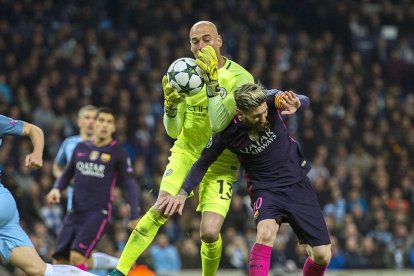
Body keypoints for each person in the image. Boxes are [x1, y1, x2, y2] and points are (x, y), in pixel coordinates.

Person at [109, 20, 254, 276]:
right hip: (187, 152)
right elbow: (174, 131)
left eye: (207, 39)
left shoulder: (240, 78)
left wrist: (211, 84)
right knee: (160, 207)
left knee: (209, 233)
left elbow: (220, 124)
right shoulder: (184, 74)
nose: (201, 46)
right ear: (190, 45)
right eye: (195, 41)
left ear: (219, 41)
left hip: (221, 159)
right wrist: (170, 107)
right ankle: (119, 271)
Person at [160, 83, 332, 276]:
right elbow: (202, 163)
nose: (263, 118)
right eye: (256, 116)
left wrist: (298, 103)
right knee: (265, 234)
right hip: (264, 188)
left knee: (322, 255)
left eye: (265, 112)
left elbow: (304, 99)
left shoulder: (270, 99)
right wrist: (183, 193)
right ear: (241, 114)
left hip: (297, 182)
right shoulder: (226, 133)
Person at [0, 114, 96, 276]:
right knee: (40, 270)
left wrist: (37, 154)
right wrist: (36, 153)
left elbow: (33, 129)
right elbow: (33, 129)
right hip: (5, 203)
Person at [46, 107, 140, 271]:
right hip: (74, 211)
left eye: (109, 122)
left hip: (97, 213)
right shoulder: (80, 147)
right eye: (101, 120)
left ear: (114, 127)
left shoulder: (118, 152)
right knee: (59, 260)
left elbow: (130, 184)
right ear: (94, 124)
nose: (104, 125)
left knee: (77, 257)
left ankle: (115, 264)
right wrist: (56, 189)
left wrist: (134, 215)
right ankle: (115, 263)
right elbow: (67, 173)